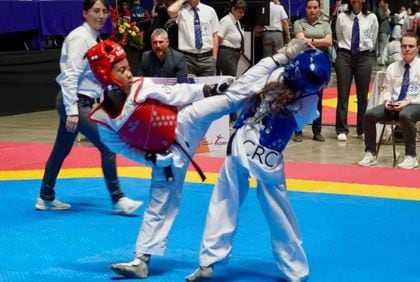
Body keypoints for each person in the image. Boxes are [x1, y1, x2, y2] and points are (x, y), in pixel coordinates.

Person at [85, 38, 309, 279]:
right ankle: (141, 260)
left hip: (184, 124)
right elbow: (121, 147)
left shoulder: (141, 86)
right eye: (121, 70)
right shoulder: (103, 120)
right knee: (159, 203)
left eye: (128, 67)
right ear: (105, 76)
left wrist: (207, 90)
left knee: (229, 97)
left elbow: (176, 93)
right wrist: (151, 159)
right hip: (167, 157)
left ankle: (279, 58)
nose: (129, 74)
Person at [185, 48, 331, 282]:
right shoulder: (309, 101)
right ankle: (296, 270)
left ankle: (209, 261)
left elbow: (250, 95)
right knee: (278, 211)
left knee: (225, 199)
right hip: (265, 153)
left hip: (246, 142)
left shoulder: (276, 75)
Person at [34, 0, 143, 214]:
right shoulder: (79, 38)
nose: (101, 15)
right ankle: (118, 199)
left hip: (81, 101)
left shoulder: (95, 38)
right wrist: (72, 111)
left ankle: (45, 197)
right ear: (85, 13)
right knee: (108, 145)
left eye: (104, 11)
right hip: (74, 102)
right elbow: (70, 76)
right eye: (96, 11)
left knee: (61, 150)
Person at [358, 33, 420, 169]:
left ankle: (411, 157)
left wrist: (407, 103)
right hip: (395, 104)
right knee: (369, 114)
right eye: (404, 46)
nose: (407, 49)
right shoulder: (393, 67)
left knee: (405, 115)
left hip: (416, 104)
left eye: (411, 46)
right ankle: (370, 154)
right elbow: (387, 90)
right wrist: (387, 100)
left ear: (418, 48)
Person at [334, 0, 378, 141]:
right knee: (343, 94)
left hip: (364, 57)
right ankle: (341, 129)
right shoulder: (342, 17)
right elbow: (339, 36)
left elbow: (373, 38)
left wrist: (363, 49)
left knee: (362, 95)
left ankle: (362, 129)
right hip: (345, 55)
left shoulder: (371, 17)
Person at [291, 0, 332, 143]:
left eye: (315, 7)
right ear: (306, 9)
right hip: (303, 66)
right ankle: (298, 130)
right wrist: (318, 40)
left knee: (318, 99)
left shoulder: (326, 24)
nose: (312, 10)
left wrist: (311, 40)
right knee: (300, 98)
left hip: (320, 68)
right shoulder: (298, 23)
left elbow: (329, 41)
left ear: (319, 9)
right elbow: (300, 40)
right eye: (309, 7)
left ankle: (317, 131)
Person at [167, 0, 219, 77]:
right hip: (188, 59)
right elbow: (170, 11)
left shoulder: (209, 10)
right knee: (189, 87)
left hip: (207, 58)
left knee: (209, 87)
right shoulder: (181, 11)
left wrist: (214, 57)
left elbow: (215, 35)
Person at [216, 0, 247, 77]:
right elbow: (218, 38)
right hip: (227, 54)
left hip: (234, 54)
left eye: (243, 12)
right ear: (233, 9)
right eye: (240, 12)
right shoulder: (226, 21)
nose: (242, 15)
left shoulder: (237, 21)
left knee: (231, 77)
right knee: (231, 78)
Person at [376, 0, 391, 66]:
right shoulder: (379, 10)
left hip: (387, 30)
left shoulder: (384, 10)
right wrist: (387, 14)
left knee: (386, 46)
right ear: (379, 4)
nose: (383, 3)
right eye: (382, 2)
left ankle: (384, 59)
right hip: (382, 30)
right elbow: (381, 17)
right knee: (382, 46)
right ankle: (380, 60)